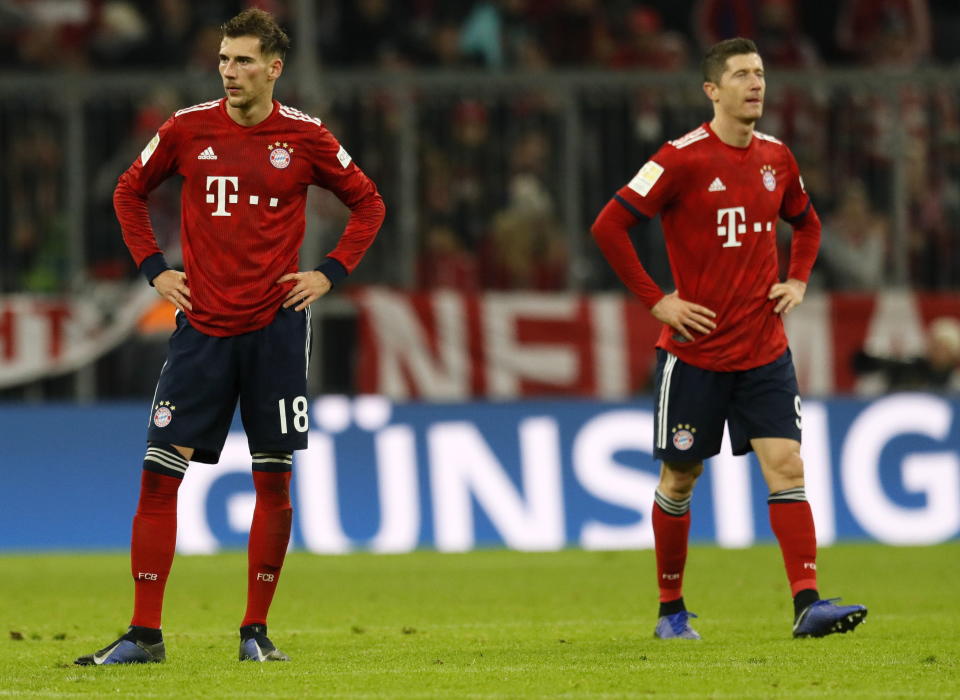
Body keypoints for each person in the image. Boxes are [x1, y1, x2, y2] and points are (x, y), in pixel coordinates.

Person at [75, 8, 386, 665]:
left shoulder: (306, 136)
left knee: (273, 481)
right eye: (223, 59)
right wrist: (155, 270)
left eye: (244, 60)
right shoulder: (187, 129)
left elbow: (370, 203)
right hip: (202, 330)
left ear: (274, 68)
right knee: (159, 477)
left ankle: (254, 632)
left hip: (275, 329)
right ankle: (143, 635)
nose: (230, 71)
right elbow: (129, 192)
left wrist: (330, 274)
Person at [590, 37, 866, 640]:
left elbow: (808, 223)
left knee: (787, 467)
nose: (755, 83)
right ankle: (671, 610)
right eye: (741, 74)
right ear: (712, 90)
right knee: (680, 479)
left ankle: (807, 604)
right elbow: (609, 225)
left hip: (764, 350)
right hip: (696, 355)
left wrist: (796, 279)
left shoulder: (777, 157)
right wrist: (657, 300)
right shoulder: (679, 158)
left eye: (760, 73)